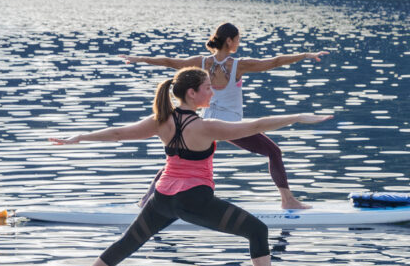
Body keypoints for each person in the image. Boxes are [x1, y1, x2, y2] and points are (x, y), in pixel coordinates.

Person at [49, 66, 332, 266]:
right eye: (208, 88)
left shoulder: (161, 121)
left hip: (162, 198)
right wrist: (295, 117)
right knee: (257, 230)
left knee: (127, 243)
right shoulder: (206, 127)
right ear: (192, 93)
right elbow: (255, 125)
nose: (212, 92)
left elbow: (118, 133)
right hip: (194, 200)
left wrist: (79, 138)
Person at [120, 22, 329, 209]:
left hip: (204, 124)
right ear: (229, 40)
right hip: (230, 127)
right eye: (237, 39)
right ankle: (288, 200)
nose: (239, 42)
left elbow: (169, 61)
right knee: (274, 152)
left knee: (178, 159)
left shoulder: (200, 62)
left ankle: (147, 199)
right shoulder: (238, 65)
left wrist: (139, 59)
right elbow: (275, 61)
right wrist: (305, 55)